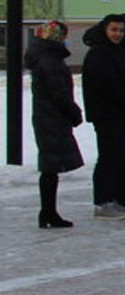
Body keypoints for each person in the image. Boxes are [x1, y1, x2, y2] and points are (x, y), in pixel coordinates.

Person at [81, 14, 125, 218]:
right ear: (105, 29)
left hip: (121, 114)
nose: (118, 34)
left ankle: (116, 198)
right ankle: (103, 203)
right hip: (107, 115)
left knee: (120, 157)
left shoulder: (117, 52)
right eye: (114, 30)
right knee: (109, 158)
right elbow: (109, 86)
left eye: (121, 31)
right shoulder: (99, 53)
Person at [28, 20, 84, 229]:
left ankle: (48, 212)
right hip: (51, 118)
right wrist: (74, 112)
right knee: (50, 167)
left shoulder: (45, 58)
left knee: (51, 167)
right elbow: (58, 92)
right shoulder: (50, 61)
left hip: (47, 117)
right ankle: (48, 212)